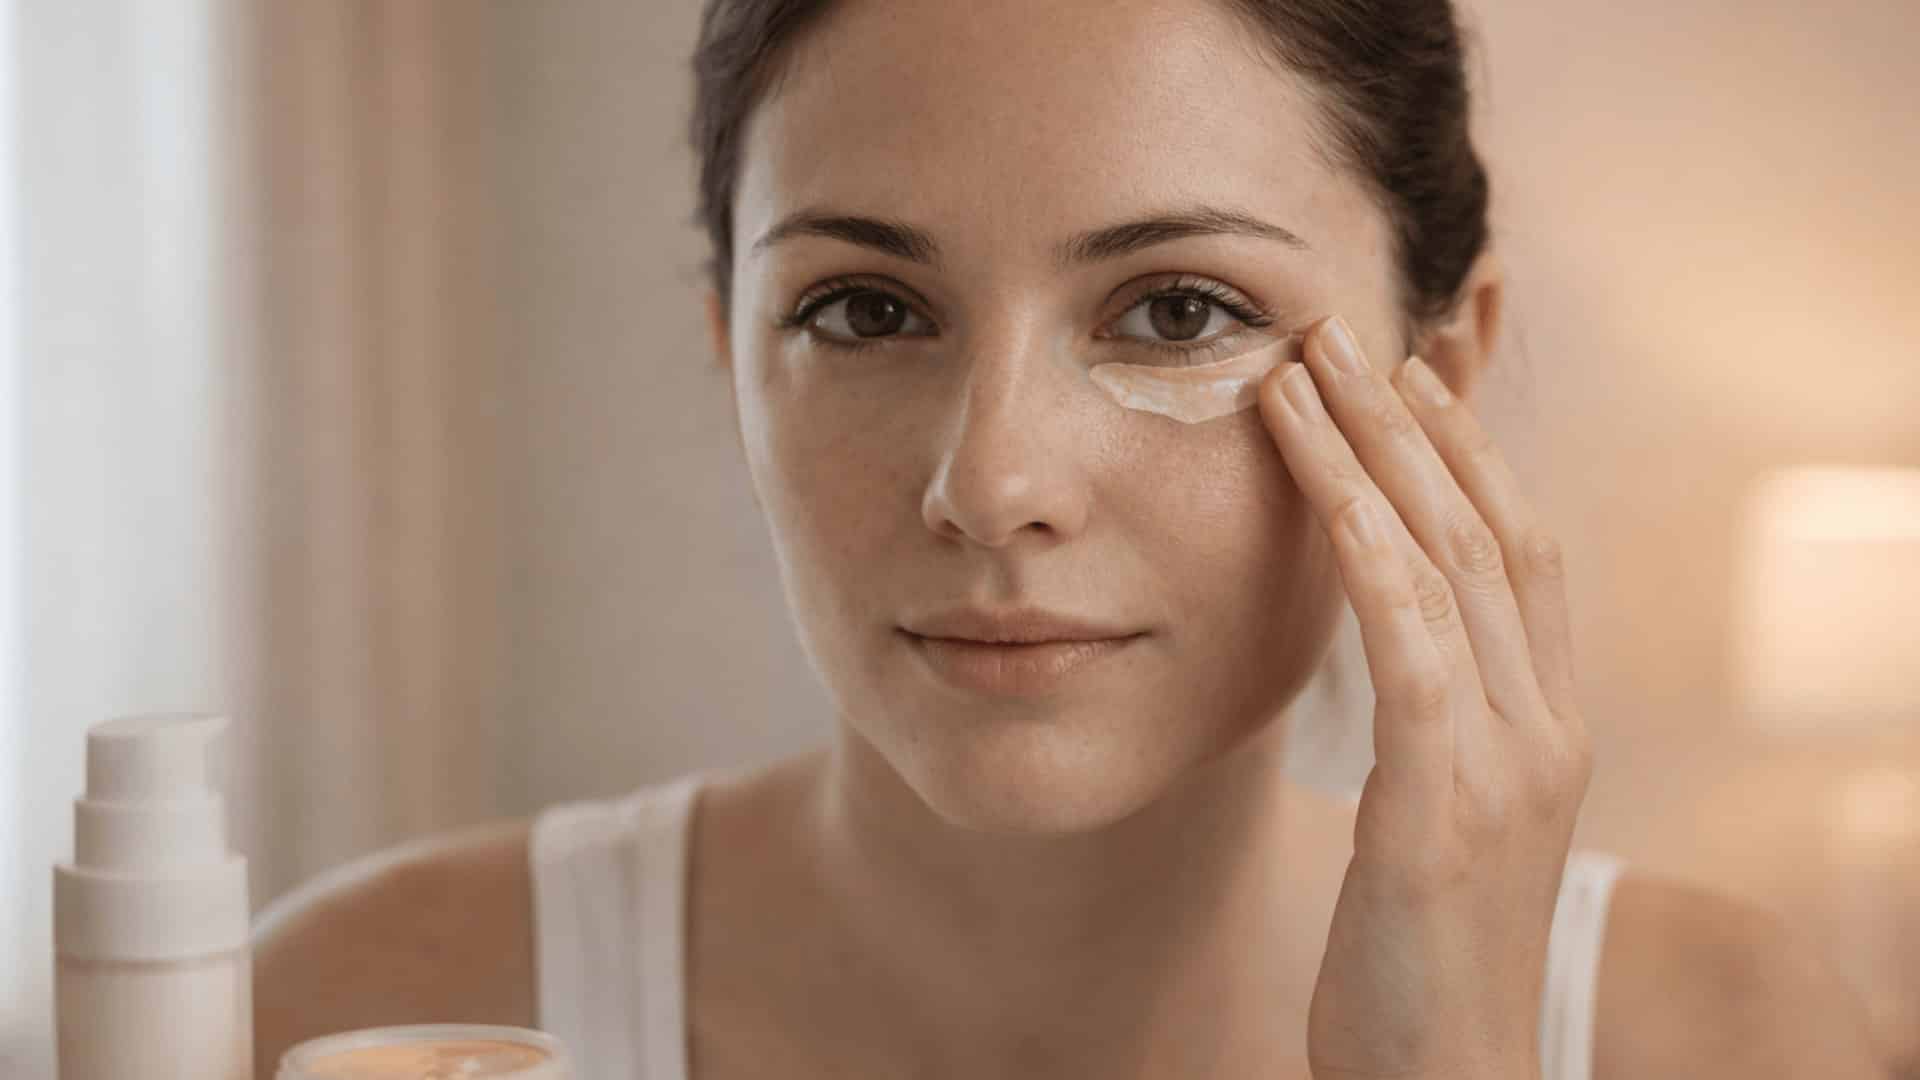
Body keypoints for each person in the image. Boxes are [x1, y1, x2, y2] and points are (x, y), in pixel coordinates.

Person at [252, 1, 1891, 1077]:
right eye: (865, 307)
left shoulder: (1726, 1037)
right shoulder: (346, 1011)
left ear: (1438, 372)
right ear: (729, 356)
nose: (994, 480)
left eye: (1178, 309)